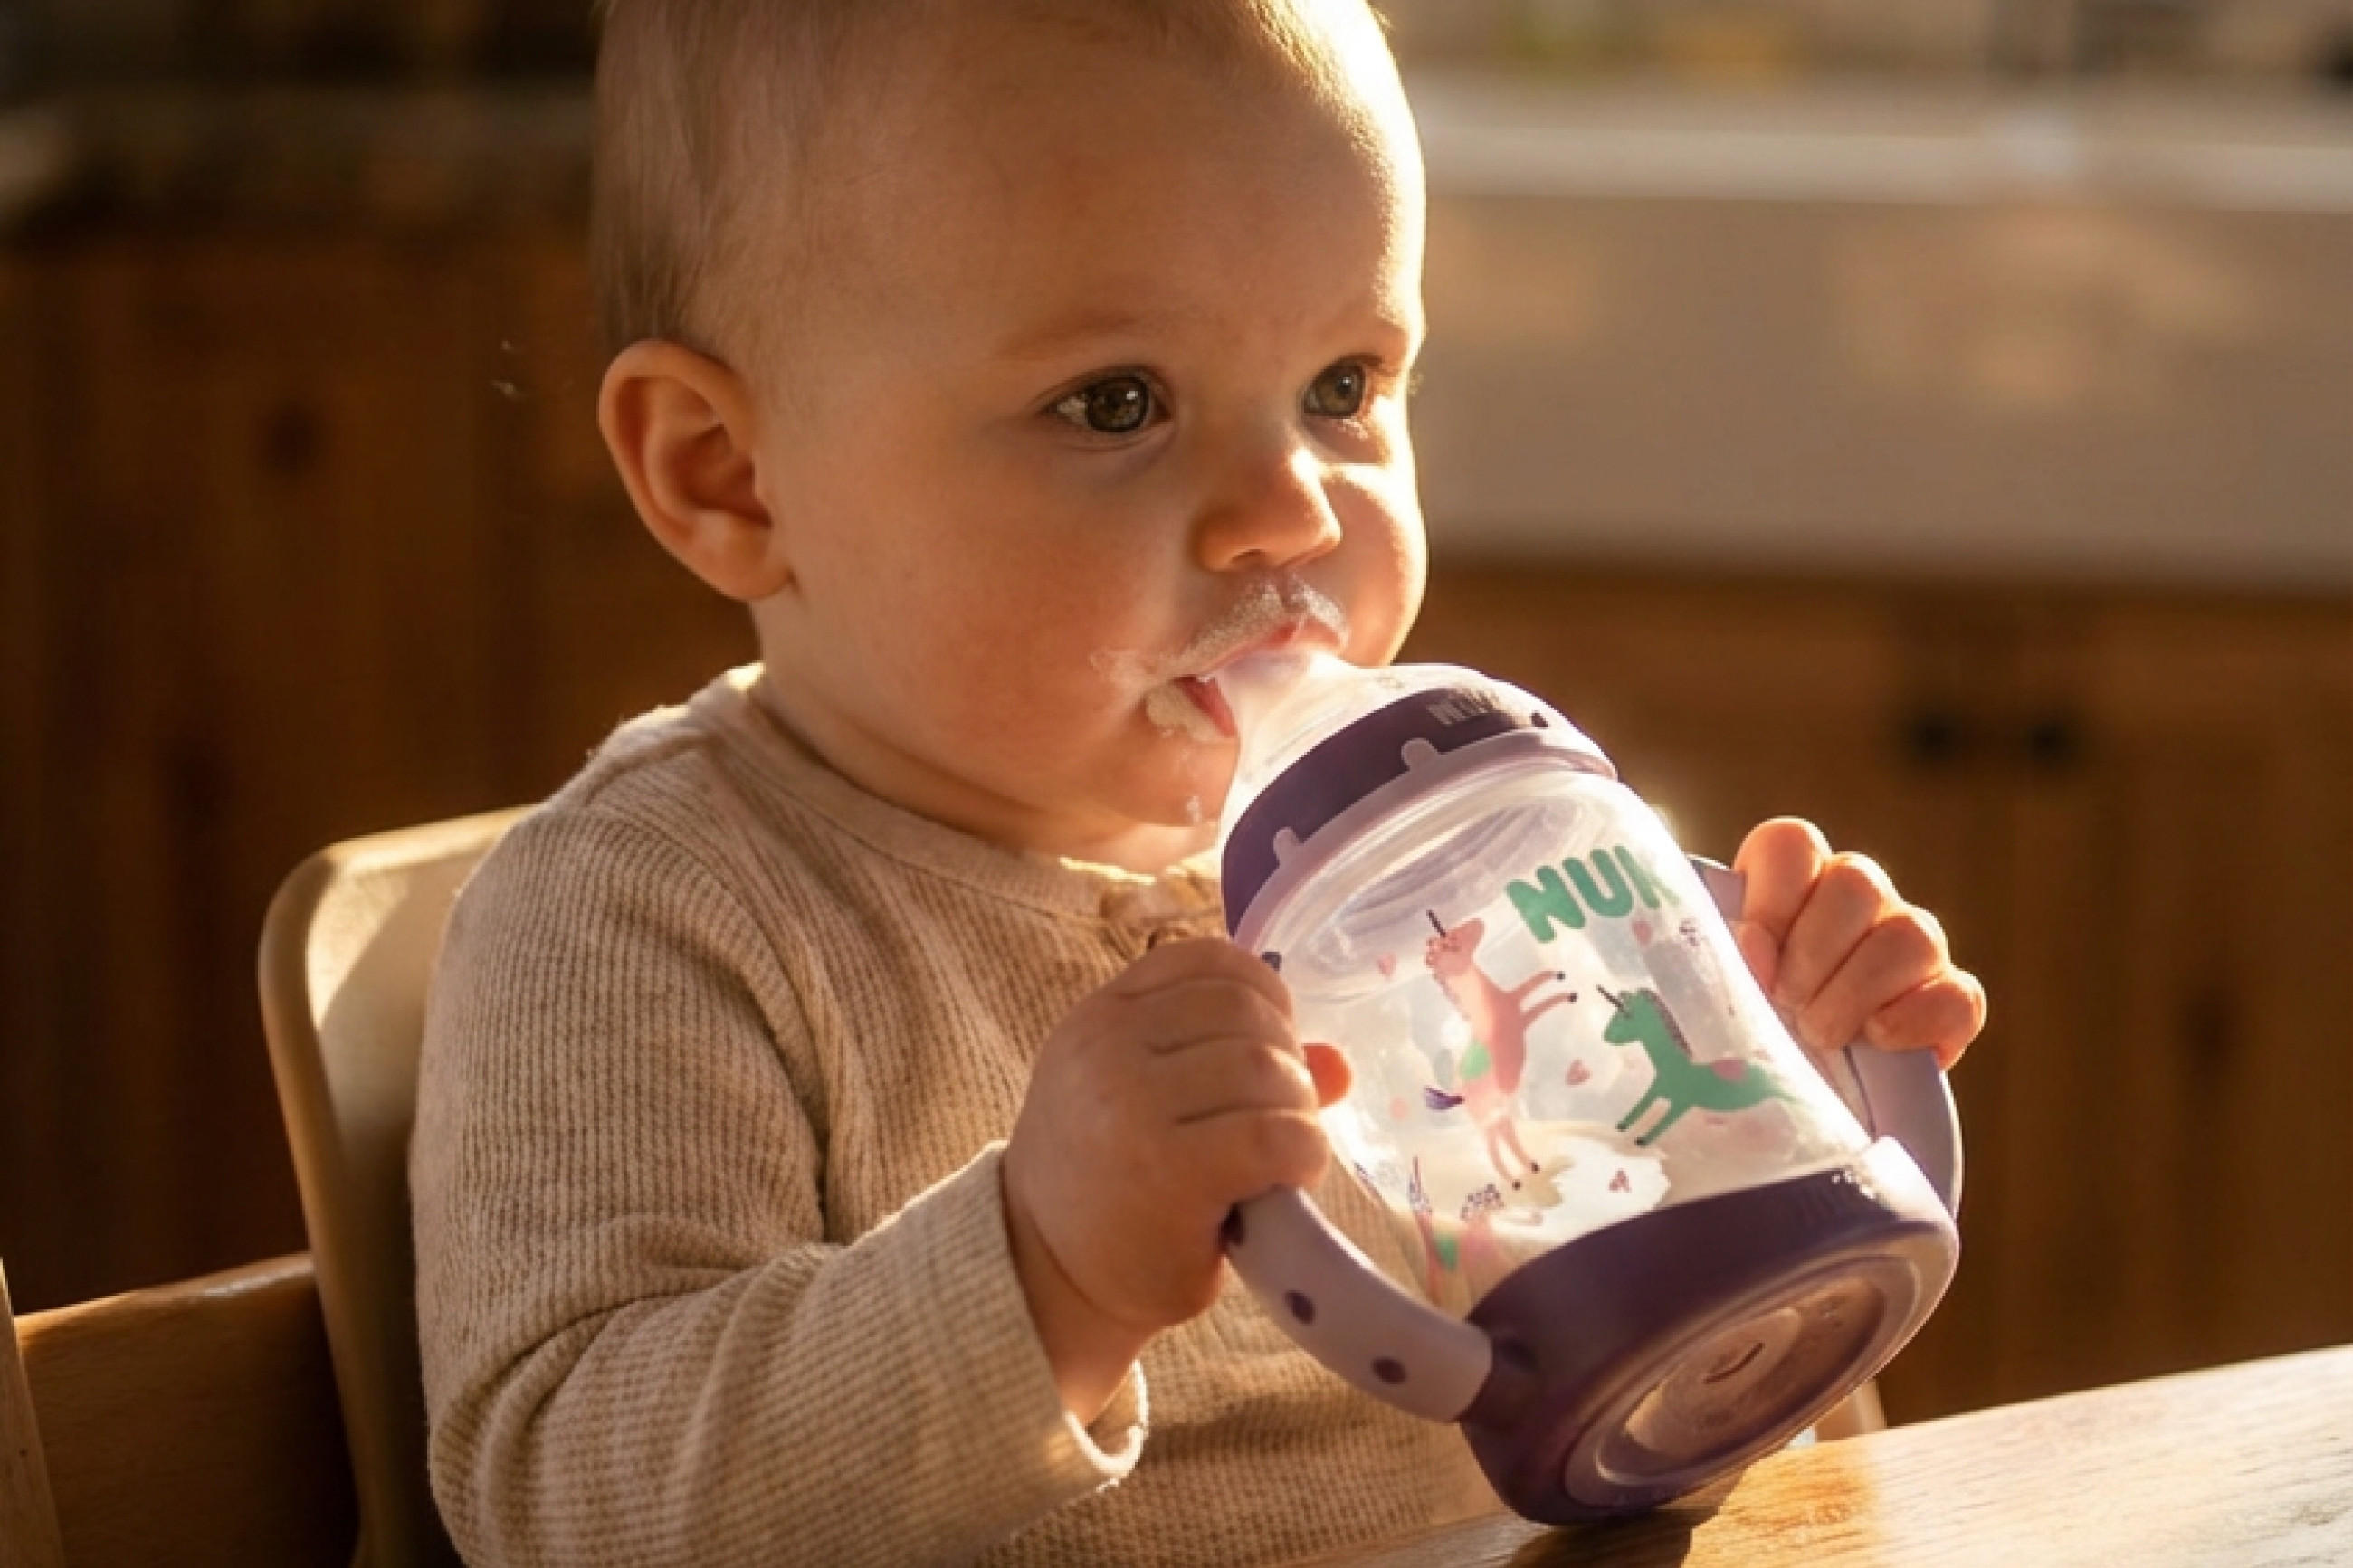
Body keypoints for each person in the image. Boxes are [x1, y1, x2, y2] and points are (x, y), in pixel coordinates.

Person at [410, 2, 1989, 1563]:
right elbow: (565, 1504)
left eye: (1343, 388)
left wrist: (1743, 1128)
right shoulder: (642, 911)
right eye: (1117, 402)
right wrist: (1042, 1267)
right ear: (728, 474)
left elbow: (1658, 1464)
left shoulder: (1429, 907)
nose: (1287, 512)